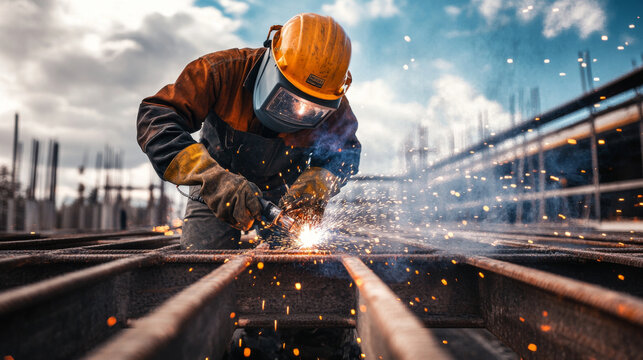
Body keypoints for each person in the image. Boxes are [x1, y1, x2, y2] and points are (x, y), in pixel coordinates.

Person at [136, 13, 361, 249]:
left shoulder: (334, 107)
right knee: (201, 263)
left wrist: (312, 191)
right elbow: (156, 118)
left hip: (287, 198)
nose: (298, 113)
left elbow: (344, 153)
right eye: (288, 98)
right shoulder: (220, 73)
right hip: (217, 188)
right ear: (273, 63)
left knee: (297, 270)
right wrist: (211, 180)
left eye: (312, 109)